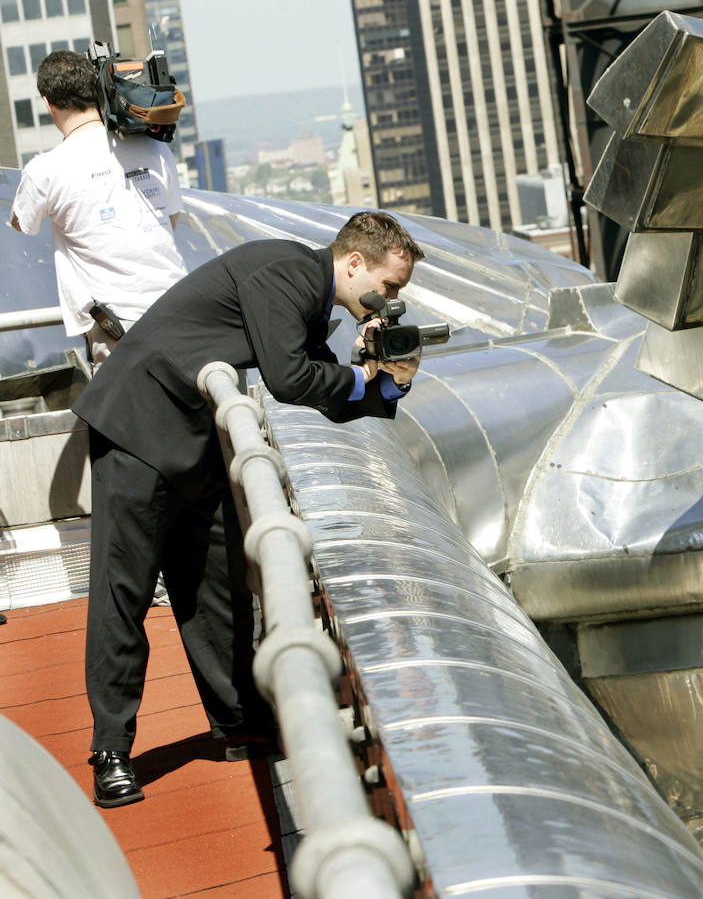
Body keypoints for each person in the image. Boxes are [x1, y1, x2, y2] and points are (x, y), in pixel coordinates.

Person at [71, 211, 424, 808]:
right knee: (121, 593)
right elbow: (290, 379)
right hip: (137, 431)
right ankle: (112, 751)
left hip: (193, 440)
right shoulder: (285, 272)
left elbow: (323, 393)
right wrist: (362, 375)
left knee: (216, 584)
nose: (390, 302)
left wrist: (389, 383)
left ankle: (237, 721)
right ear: (355, 262)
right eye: (389, 288)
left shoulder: (311, 295)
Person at [9, 49, 184, 368]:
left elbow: (22, 222)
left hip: (119, 334)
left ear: (49, 104)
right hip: (181, 311)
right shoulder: (155, 147)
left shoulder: (45, 170)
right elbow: (171, 218)